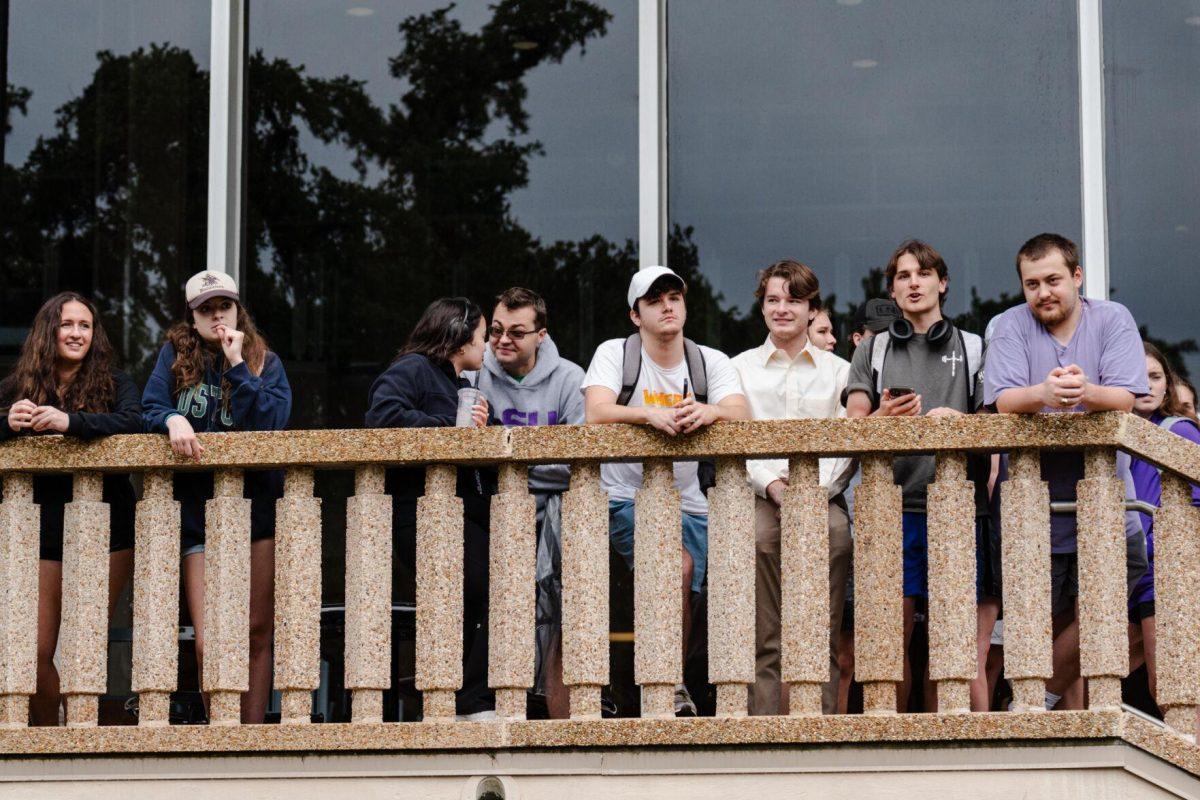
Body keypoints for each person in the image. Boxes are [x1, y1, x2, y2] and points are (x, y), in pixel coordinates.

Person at [983, 232, 1148, 711]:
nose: (1043, 293)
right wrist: (1044, 394)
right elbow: (1004, 401)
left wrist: (1082, 392)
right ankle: (1044, 707)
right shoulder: (1011, 325)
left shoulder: (1112, 318)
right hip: (1032, 506)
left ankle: (1035, 699)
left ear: (1077, 277)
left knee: (1106, 607)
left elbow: (1125, 398)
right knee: (1041, 620)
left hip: (1106, 502)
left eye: (1053, 280)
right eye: (1031, 284)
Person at [582, 266, 749, 716]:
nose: (667, 306)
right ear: (635, 316)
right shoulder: (616, 353)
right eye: (655, 301)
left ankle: (677, 684)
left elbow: (741, 412)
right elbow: (596, 411)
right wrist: (648, 417)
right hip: (625, 498)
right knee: (676, 568)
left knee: (701, 592)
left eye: (674, 297)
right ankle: (669, 689)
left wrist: (710, 411)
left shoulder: (707, 360)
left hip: (691, 503)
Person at [844, 239, 993, 712]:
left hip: (958, 508)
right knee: (891, 641)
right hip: (890, 509)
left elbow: (997, 422)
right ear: (892, 288)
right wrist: (883, 419)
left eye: (923, 274)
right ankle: (893, 743)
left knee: (952, 645)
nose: (913, 283)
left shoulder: (973, 346)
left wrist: (961, 423)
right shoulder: (873, 348)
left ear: (942, 283)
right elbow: (851, 429)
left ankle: (953, 749)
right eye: (903, 276)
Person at [142, 270, 291, 724]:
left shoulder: (266, 360)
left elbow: (270, 426)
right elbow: (147, 407)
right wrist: (171, 419)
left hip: (256, 512)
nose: (217, 315)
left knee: (256, 630)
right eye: (206, 309)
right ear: (192, 316)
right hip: (197, 516)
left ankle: (251, 733)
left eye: (223, 306)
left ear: (237, 309)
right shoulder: (173, 356)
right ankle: (221, 732)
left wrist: (239, 366)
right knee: (210, 637)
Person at [0, 292, 141, 725]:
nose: (77, 333)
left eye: (85, 325)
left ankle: (75, 736)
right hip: (39, 531)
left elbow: (135, 422)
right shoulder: (18, 387)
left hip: (106, 529)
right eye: (67, 324)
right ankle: (50, 735)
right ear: (49, 331)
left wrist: (70, 422)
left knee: (84, 646)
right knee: (33, 651)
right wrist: (7, 422)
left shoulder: (116, 383)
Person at [731, 260, 854, 716]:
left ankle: (819, 725)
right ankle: (761, 728)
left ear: (811, 308)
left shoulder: (840, 371)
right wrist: (775, 487)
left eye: (793, 300)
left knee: (835, 537)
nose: (782, 309)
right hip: (761, 494)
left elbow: (847, 443)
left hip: (820, 495)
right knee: (764, 628)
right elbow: (736, 441)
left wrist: (810, 493)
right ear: (762, 307)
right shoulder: (738, 369)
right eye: (773, 300)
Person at [365, 297, 495, 720]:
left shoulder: (460, 384)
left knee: (483, 593)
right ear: (459, 335)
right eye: (483, 334)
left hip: (465, 513)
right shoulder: (413, 369)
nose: (488, 343)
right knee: (473, 589)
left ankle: (461, 696)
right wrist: (449, 430)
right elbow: (382, 418)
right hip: (422, 512)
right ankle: (461, 698)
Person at [466, 287, 584, 719]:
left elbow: (583, 461)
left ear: (541, 335)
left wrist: (515, 458)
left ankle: (557, 718)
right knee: (500, 605)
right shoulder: (475, 374)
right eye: (496, 330)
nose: (502, 341)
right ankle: (501, 708)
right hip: (497, 514)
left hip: (560, 513)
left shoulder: (571, 379)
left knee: (564, 615)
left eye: (517, 332)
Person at [1127, 343, 1200, 702]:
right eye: (1139, 376)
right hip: (1128, 571)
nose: (1147, 385)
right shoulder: (1116, 431)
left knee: (1170, 686)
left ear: (1167, 385)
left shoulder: (1178, 431)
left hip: (1164, 574)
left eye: (1156, 377)